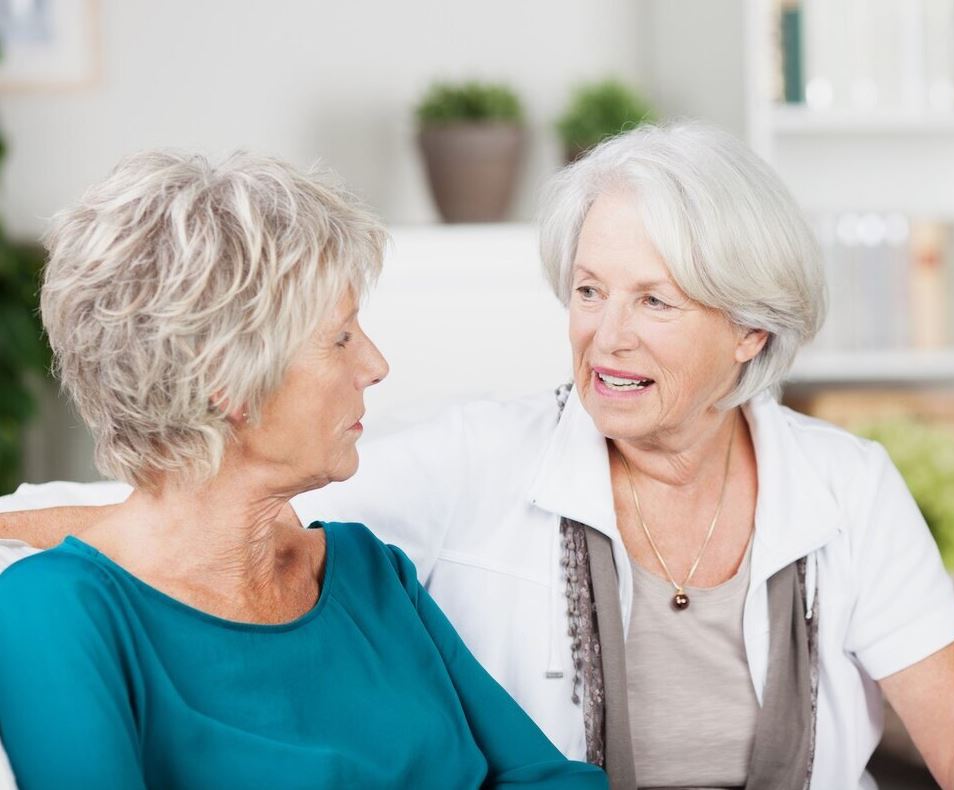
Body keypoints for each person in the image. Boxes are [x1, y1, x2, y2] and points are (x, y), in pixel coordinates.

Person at [0, 125, 954, 789]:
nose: (605, 334)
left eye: (653, 300)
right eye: (588, 290)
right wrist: (134, 537)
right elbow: (168, 500)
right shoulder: (459, 463)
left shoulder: (843, 485)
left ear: (750, 329)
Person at [0, 151, 605, 790]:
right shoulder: (52, 613)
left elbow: (551, 779)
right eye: (341, 337)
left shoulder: (371, 572)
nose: (375, 364)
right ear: (225, 382)